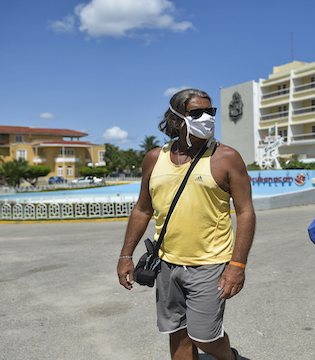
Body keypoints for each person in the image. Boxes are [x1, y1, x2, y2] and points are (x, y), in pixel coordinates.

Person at [117, 88, 256, 360]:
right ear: (177, 119)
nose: (207, 118)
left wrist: (237, 265)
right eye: (197, 113)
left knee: (204, 336)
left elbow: (246, 212)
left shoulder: (226, 157)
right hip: (166, 263)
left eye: (210, 112)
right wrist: (125, 255)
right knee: (177, 332)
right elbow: (143, 209)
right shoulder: (154, 159)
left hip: (210, 263)